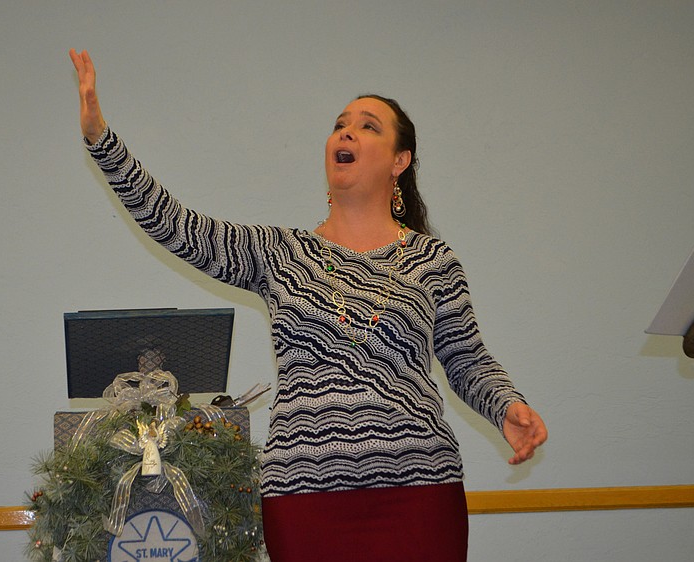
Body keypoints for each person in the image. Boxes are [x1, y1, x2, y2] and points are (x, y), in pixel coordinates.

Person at [69, 48, 548, 562]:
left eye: (368, 127)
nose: (346, 132)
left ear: (399, 161)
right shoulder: (281, 253)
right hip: (305, 498)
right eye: (340, 124)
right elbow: (177, 226)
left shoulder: (433, 259)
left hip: (420, 492)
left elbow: (466, 358)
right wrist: (102, 140)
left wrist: (507, 405)